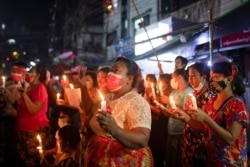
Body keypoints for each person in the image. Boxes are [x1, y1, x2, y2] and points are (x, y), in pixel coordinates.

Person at [84, 57, 153, 166]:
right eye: (111, 70)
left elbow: (142, 139)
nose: (110, 74)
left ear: (129, 79)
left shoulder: (136, 101)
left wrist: (114, 129)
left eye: (116, 70)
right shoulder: (106, 98)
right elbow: (90, 120)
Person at [190, 61, 249, 166]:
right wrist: (185, 117)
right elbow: (204, 128)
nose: (212, 81)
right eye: (211, 77)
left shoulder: (237, 105)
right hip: (211, 161)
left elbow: (230, 139)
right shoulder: (211, 101)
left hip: (230, 162)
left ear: (229, 79)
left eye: (216, 77)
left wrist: (207, 118)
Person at [173, 62, 215, 167]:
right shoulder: (193, 94)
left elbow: (204, 126)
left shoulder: (209, 96)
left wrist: (186, 117)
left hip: (199, 144)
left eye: (193, 76)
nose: (190, 79)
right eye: (189, 76)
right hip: (188, 140)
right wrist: (179, 113)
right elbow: (189, 116)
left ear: (203, 77)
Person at [14, 64, 50, 166]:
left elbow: (34, 110)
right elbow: (20, 107)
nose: (28, 73)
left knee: (33, 162)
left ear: (38, 75)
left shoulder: (40, 88)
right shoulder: (30, 87)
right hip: (23, 131)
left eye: (31, 71)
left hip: (33, 132)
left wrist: (24, 95)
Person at [163, 68, 193, 167]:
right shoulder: (174, 93)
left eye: (173, 78)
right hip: (171, 132)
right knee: (171, 160)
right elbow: (169, 111)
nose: (172, 81)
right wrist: (164, 109)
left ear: (179, 77)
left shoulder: (189, 92)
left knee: (179, 160)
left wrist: (171, 104)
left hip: (182, 133)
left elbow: (189, 113)